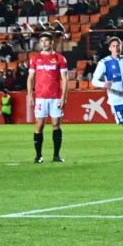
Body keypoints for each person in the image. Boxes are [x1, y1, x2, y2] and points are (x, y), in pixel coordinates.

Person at [27, 32, 69, 163]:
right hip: (40, 97)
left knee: (56, 124)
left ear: (52, 42)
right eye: (42, 41)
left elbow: (65, 78)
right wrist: (29, 94)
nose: (44, 43)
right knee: (39, 125)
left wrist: (64, 96)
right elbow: (30, 78)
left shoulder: (60, 58)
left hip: (55, 97)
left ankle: (56, 155)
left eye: (46, 40)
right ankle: (38, 156)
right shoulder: (35, 59)